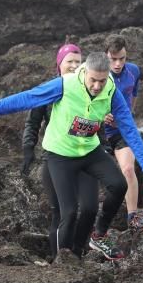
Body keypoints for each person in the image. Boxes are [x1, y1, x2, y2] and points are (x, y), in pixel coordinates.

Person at [0, 53, 143, 261]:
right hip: (60, 155)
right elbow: (26, 98)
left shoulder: (112, 91)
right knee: (68, 214)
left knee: (117, 186)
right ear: (84, 72)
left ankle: (98, 237)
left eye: (102, 81)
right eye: (93, 80)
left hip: (89, 150)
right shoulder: (65, 85)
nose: (97, 86)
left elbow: (129, 129)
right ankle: (63, 262)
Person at [22, 44, 92, 261]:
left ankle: (77, 255)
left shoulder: (88, 90)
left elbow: (94, 122)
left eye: (77, 62)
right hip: (55, 160)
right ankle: (59, 260)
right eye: (69, 61)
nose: (73, 66)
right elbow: (32, 124)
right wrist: (27, 150)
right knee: (61, 214)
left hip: (82, 159)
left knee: (87, 210)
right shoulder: (48, 90)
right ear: (59, 64)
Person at [103, 36, 143, 236]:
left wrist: (125, 117)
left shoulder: (134, 71)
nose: (117, 64)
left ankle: (133, 217)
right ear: (105, 56)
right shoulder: (97, 74)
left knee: (127, 169)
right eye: (113, 59)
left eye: (122, 58)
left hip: (121, 132)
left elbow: (133, 97)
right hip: (97, 132)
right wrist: (101, 116)